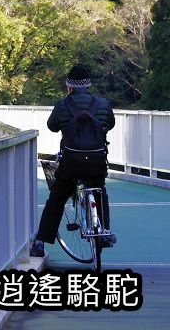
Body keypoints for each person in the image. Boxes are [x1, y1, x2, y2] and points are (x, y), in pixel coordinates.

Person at [30, 64, 116, 258]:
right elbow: (109, 124)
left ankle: (40, 243)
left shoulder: (62, 105)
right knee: (100, 190)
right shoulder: (102, 104)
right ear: (88, 86)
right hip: (96, 162)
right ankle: (104, 232)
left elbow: (52, 126)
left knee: (57, 198)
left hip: (71, 164)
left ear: (69, 87)